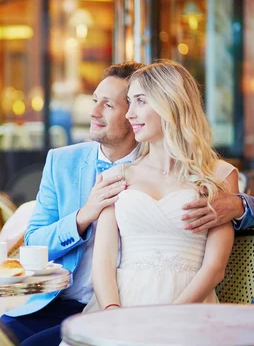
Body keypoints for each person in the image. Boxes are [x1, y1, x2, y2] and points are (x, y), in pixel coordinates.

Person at [0, 61, 254, 345]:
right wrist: (84, 215)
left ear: (168, 104)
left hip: (182, 305)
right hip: (89, 300)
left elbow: (218, 259)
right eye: (95, 101)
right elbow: (36, 240)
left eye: (115, 104)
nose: (94, 112)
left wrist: (241, 206)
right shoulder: (87, 168)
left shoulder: (216, 175)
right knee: (3, 334)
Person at [87, 60, 236, 316]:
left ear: (170, 104)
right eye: (129, 102)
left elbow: (215, 267)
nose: (129, 113)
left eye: (140, 101)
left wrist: (169, 318)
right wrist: (112, 313)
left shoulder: (219, 175)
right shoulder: (116, 176)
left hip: (189, 307)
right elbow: (103, 261)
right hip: (121, 306)